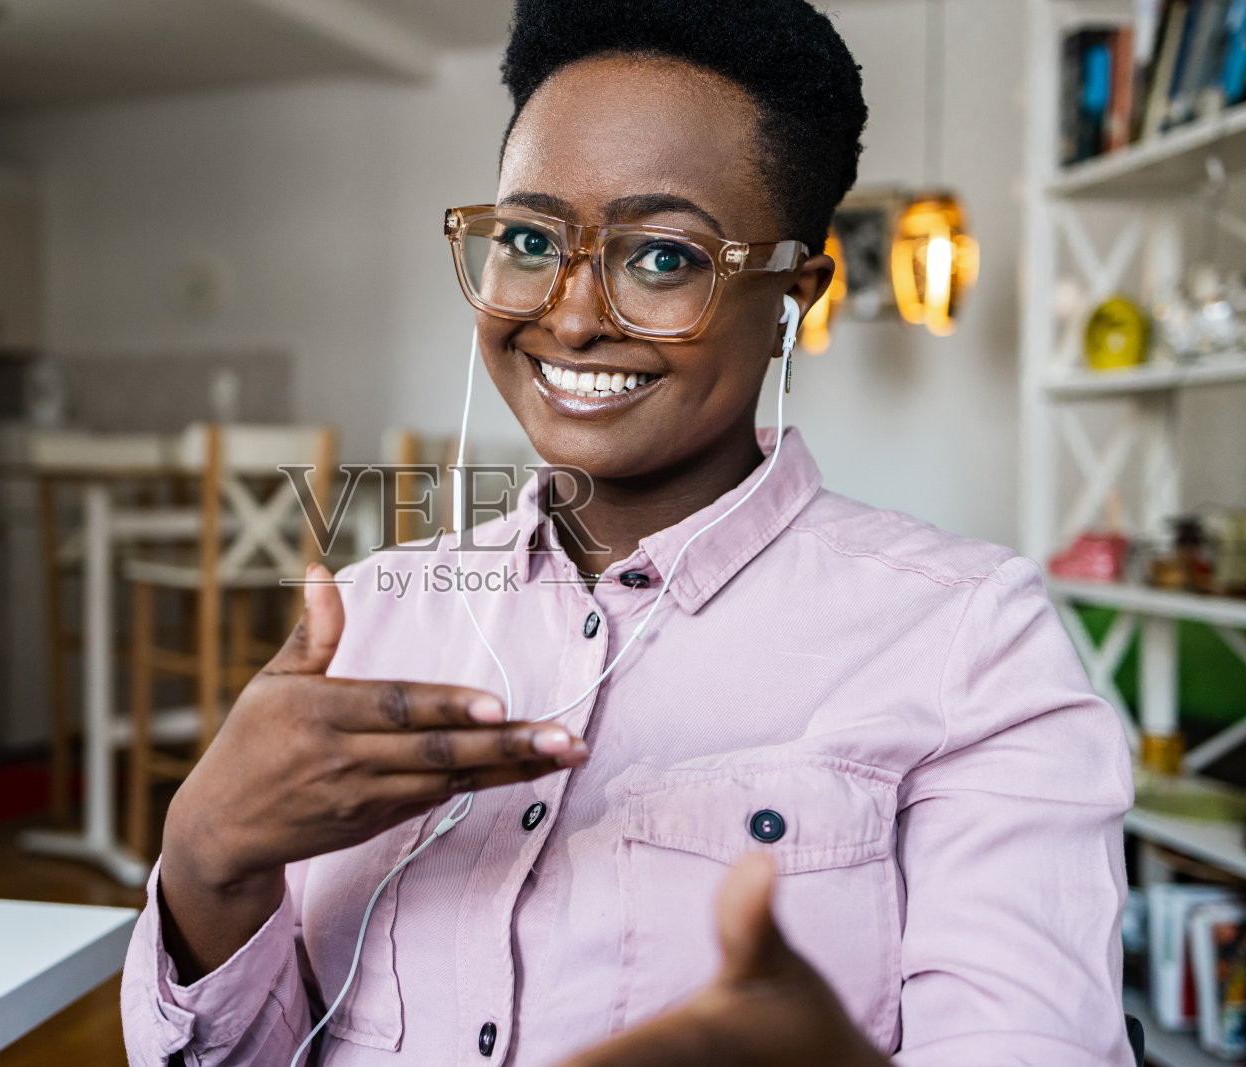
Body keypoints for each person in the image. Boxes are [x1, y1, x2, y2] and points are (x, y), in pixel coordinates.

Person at [122, 2, 1135, 1064]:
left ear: (793, 297)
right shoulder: (371, 615)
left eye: (660, 257)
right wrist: (207, 861)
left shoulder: (972, 643)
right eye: (528, 241)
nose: (569, 318)